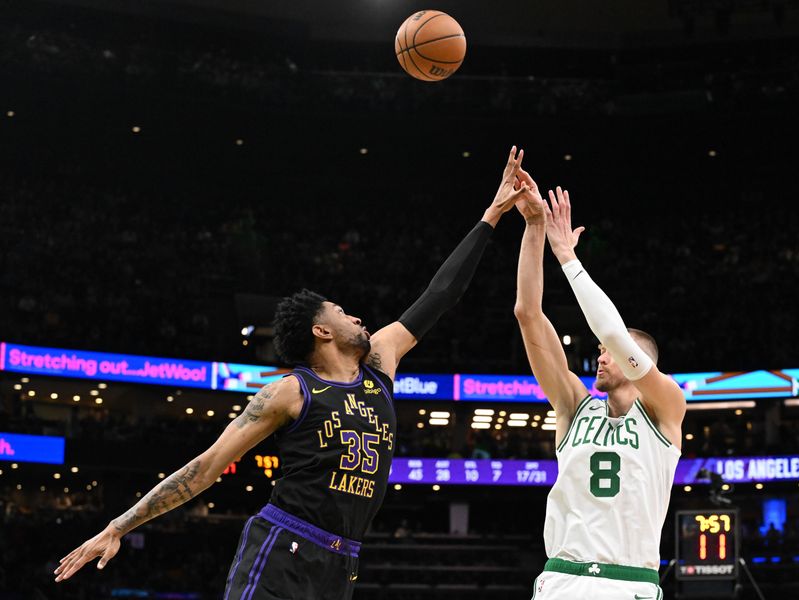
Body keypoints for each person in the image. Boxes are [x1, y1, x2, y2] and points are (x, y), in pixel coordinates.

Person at [54, 146, 533, 599]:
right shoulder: (290, 392)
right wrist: (119, 526)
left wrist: (491, 216)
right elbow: (208, 465)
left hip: (342, 561)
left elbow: (439, 295)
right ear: (321, 331)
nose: (360, 319)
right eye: (344, 312)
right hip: (283, 546)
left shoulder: (380, 363)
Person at [513, 179, 686, 599]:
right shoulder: (574, 406)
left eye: (608, 352)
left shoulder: (666, 408)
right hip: (563, 577)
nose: (600, 357)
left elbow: (609, 328)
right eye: (598, 351)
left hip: (630, 581)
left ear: (637, 361)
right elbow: (527, 313)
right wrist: (535, 228)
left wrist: (568, 257)